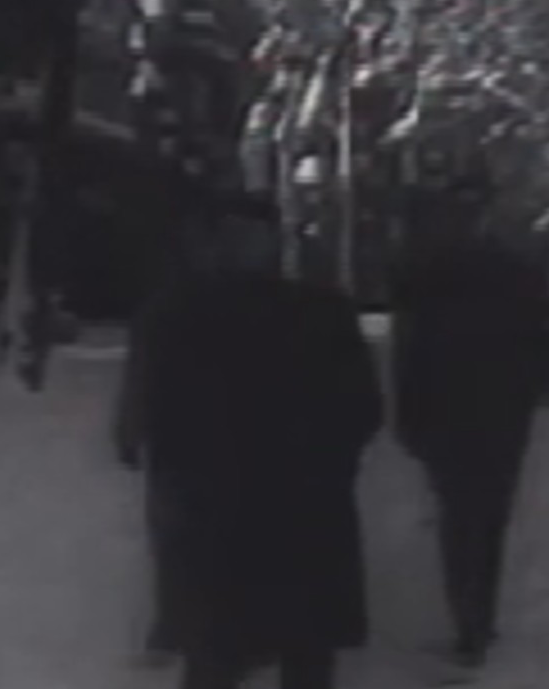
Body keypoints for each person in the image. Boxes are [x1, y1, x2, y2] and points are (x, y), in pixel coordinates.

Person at [114, 190, 382, 689]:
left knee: (215, 653)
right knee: (304, 651)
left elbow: (138, 418)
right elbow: (363, 410)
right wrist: (328, 463)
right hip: (303, 511)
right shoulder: (321, 312)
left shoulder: (173, 314)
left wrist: (160, 465)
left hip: (211, 515)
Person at [390, 179, 549, 669]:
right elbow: (543, 330)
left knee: (458, 515)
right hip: (501, 408)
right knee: (488, 514)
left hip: (448, 409)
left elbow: (409, 350)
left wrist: (407, 412)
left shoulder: (426, 274)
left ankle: (469, 619)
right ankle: (478, 617)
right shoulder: (513, 269)